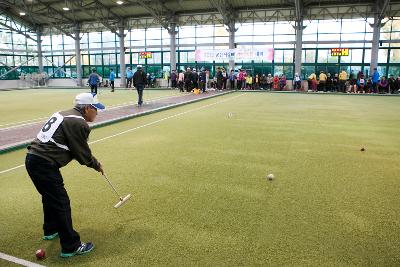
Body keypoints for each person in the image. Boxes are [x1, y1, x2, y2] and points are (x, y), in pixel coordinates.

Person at [25, 92, 105, 258]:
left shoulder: (62, 113)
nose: (97, 113)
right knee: (61, 202)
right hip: (44, 164)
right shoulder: (79, 123)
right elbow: (81, 153)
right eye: (96, 109)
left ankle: (50, 228)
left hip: (32, 159)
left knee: (49, 197)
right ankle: (71, 246)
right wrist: (96, 165)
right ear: (88, 108)